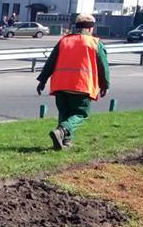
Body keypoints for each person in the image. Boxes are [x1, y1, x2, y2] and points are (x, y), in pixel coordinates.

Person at [36, 12, 109, 150]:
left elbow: (51, 62)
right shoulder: (95, 43)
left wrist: (42, 80)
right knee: (81, 114)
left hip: (61, 85)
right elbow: (103, 66)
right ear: (90, 28)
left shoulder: (64, 40)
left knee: (64, 113)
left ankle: (65, 142)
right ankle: (62, 131)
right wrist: (105, 84)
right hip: (82, 85)